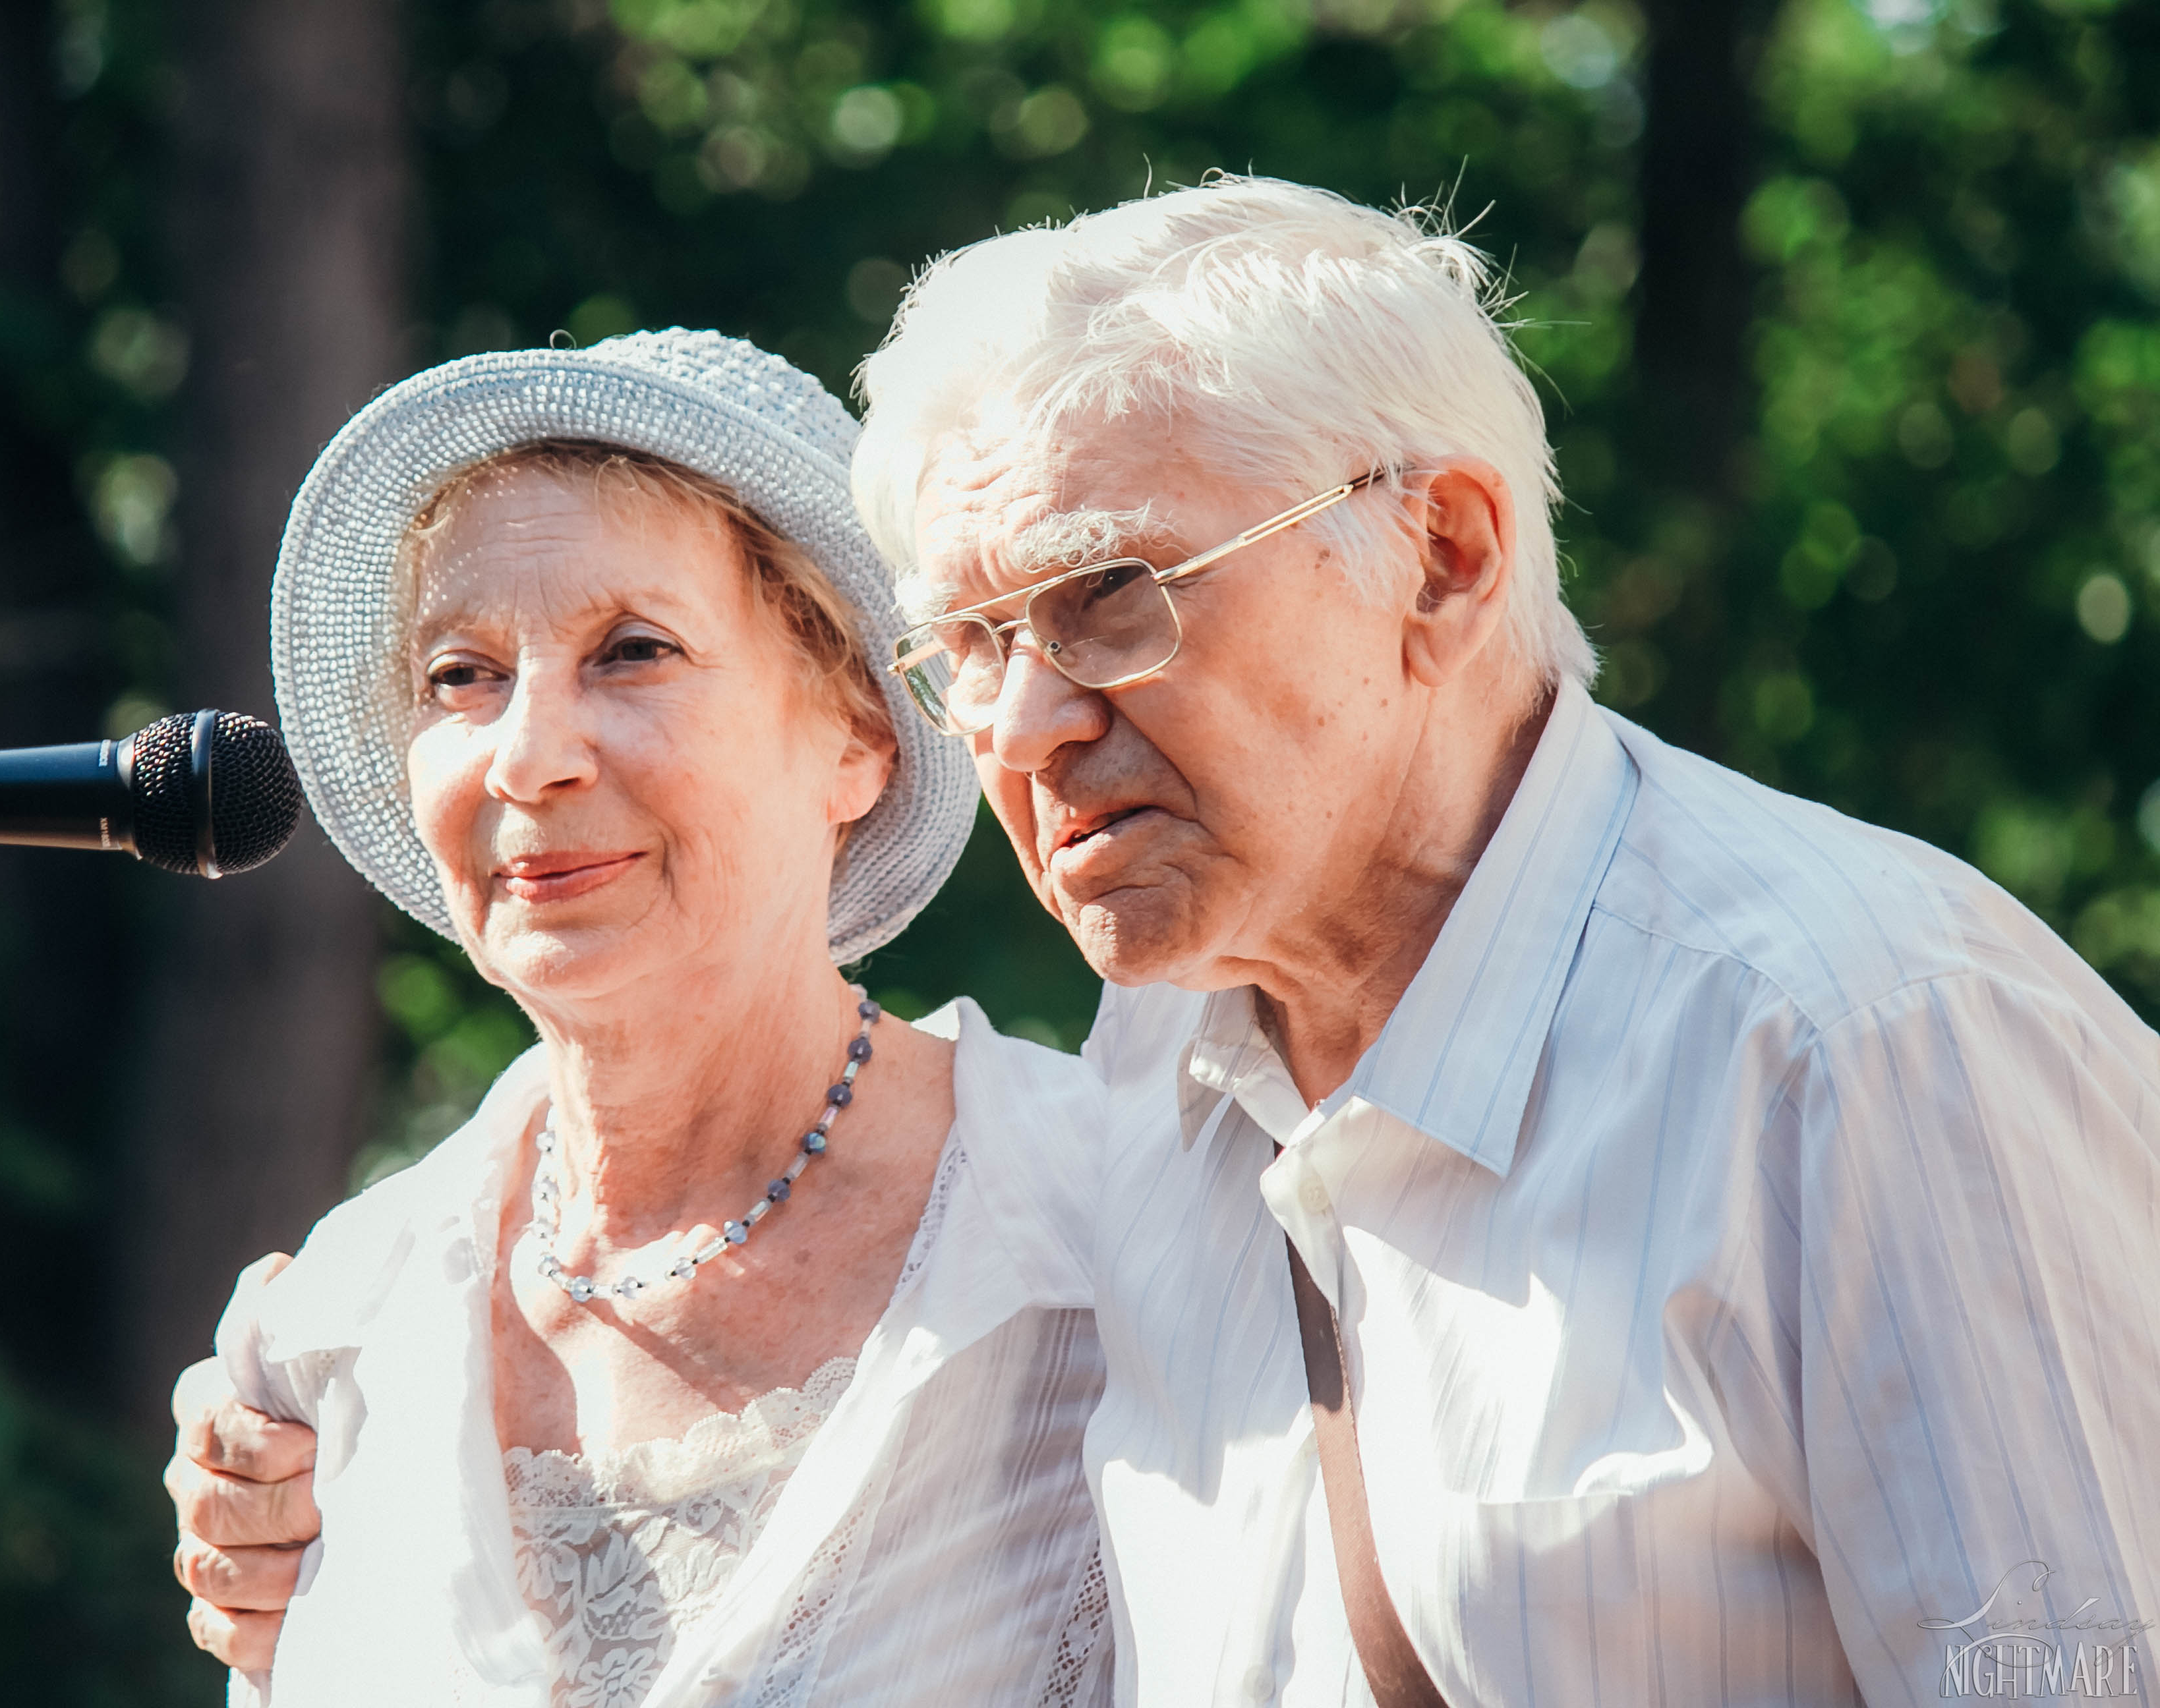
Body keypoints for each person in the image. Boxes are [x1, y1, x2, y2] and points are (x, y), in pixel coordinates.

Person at [176, 178, 2160, 1706]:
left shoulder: (1861, 1037)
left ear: (1443, 559)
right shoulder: (1171, 1087)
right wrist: (271, 1452)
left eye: (1114, 598)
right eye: (970, 647)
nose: (1025, 721)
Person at [169, 329, 1112, 1705]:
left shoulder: (1110, 1221)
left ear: (857, 734)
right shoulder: (330, 1326)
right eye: (462, 673)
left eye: (632, 652)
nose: (531, 754)